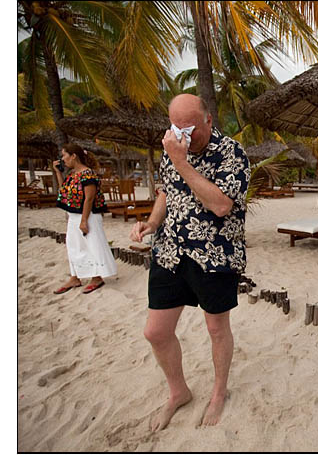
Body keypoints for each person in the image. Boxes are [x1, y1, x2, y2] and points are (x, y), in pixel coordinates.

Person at [129, 94, 250, 431]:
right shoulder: (173, 149)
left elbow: (222, 205)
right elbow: (166, 193)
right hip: (169, 251)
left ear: (209, 120)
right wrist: (151, 224)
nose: (182, 136)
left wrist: (182, 161)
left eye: (190, 129)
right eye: (175, 128)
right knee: (156, 332)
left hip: (214, 254)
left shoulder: (232, 153)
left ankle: (218, 392)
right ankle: (179, 392)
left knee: (216, 329)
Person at [52, 143, 116, 295]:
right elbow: (65, 191)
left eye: (64, 155)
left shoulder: (88, 174)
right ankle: (75, 276)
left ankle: (96, 277)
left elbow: (89, 198)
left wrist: (83, 221)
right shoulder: (73, 174)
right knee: (73, 245)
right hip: (74, 215)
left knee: (91, 245)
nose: (63, 159)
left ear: (73, 156)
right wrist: (58, 173)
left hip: (88, 215)